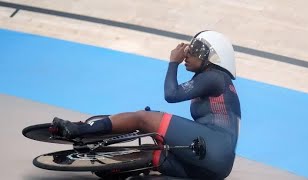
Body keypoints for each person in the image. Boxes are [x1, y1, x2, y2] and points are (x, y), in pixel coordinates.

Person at [52, 30, 241, 179]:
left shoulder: (215, 77)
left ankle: (79, 129)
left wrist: (173, 62)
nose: (187, 54)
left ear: (212, 57)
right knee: (153, 155)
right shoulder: (214, 81)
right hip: (217, 168)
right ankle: (111, 165)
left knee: (143, 118)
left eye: (196, 50)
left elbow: (171, 94)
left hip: (213, 147)